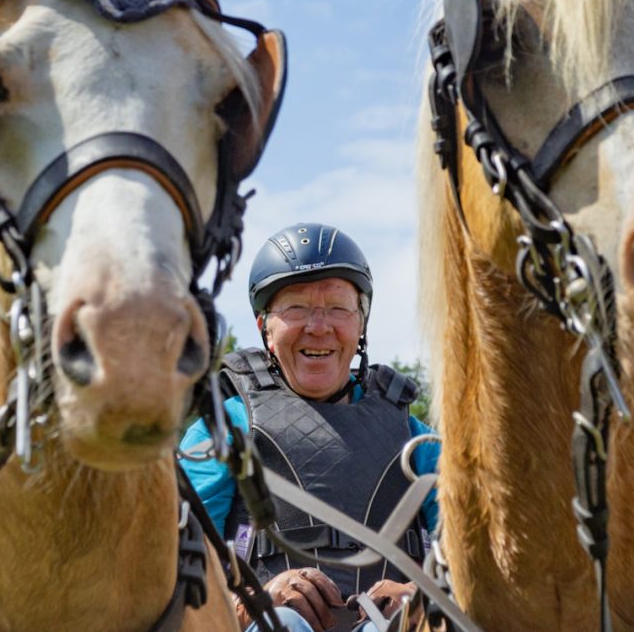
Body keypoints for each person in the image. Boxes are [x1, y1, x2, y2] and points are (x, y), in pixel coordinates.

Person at [180, 223, 440, 632]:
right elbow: (174, 575)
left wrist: (422, 596)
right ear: (265, 326)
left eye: (338, 308)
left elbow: (474, 561)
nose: (318, 327)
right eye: (296, 308)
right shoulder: (222, 432)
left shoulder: (417, 439)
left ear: (360, 324)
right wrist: (252, 602)